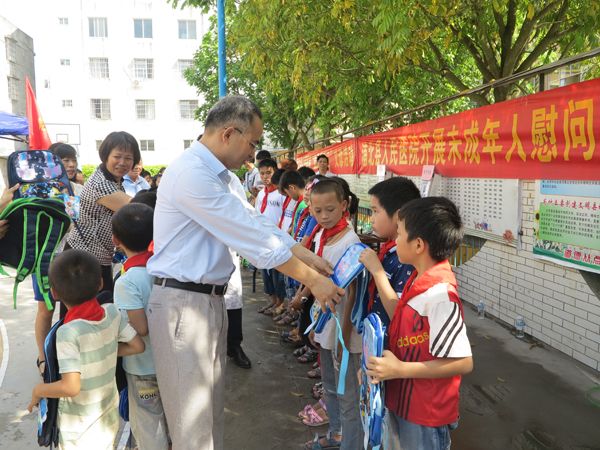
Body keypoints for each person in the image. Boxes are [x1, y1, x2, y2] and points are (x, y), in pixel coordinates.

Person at [146, 95, 343, 450]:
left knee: (208, 414)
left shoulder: (224, 178)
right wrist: (313, 280)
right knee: (191, 424)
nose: (253, 154)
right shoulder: (193, 174)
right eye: (252, 143)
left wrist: (305, 255)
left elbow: (257, 221)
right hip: (182, 305)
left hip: (206, 302)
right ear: (229, 133)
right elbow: (252, 238)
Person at [363, 197, 473, 450]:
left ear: (419, 244)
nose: (395, 240)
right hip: (405, 402)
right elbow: (399, 315)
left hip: (425, 413)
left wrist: (400, 369)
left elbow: (462, 362)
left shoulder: (440, 296)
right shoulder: (418, 278)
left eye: (399, 234)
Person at [27, 249, 145, 450]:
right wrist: (102, 350)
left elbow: (70, 387)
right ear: (100, 283)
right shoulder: (112, 311)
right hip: (108, 419)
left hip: (78, 432)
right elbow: (137, 345)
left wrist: (39, 390)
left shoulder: (68, 333)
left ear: (54, 293)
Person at [299, 178, 363, 449]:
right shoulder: (324, 236)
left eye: (330, 210)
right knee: (330, 385)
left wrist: (343, 339)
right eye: (317, 211)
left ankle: (350, 442)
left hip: (343, 333)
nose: (323, 216)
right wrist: (316, 323)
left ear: (344, 206)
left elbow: (352, 297)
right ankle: (336, 434)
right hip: (326, 325)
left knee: (348, 395)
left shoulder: (351, 243)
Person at [112, 204, 169, 450]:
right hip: (170, 361)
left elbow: (140, 328)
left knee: (149, 423)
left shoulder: (127, 281)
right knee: (171, 418)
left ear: (116, 240)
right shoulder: (165, 269)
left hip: (142, 367)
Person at [66, 131, 139, 294]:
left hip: (99, 256)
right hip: (83, 258)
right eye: (117, 156)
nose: (122, 162)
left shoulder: (114, 180)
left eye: (128, 158)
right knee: (84, 315)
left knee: (98, 312)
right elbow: (137, 209)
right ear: (105, 155)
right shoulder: (100, 184)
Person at [358, 177, 421, 327]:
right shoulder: (389, 249)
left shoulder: (407, 258)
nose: (371, 219)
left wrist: (377, 271)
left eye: (375, 211)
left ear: (398, 216)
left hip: (390, 345)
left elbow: (397, 313)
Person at [254, 160, 287, 315]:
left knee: (277, 274)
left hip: (277, 241)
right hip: (263, 239)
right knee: (266, 272)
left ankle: (281, 303)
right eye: (262, 173)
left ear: (275, 172)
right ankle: (272, 301)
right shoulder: (261, 193)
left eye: (269, 173)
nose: (265, 177)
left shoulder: (280, 194)